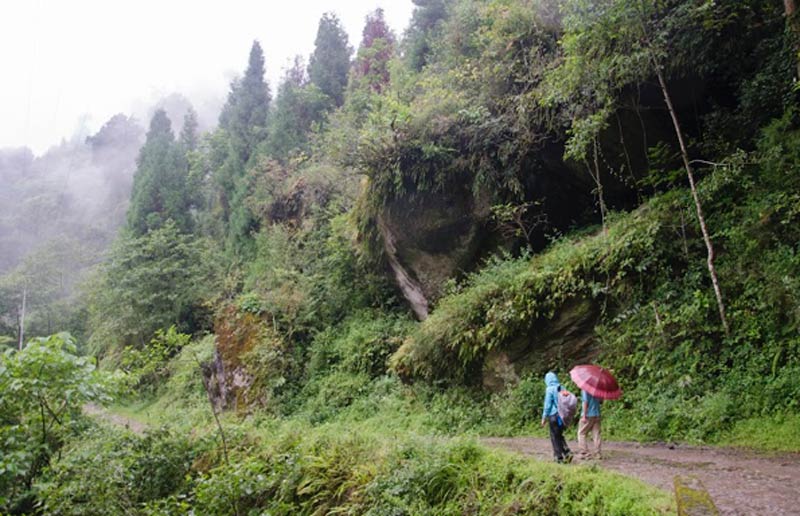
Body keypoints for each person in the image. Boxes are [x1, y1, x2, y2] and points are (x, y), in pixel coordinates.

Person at [540, 371, 572, 463]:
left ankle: (558, 457)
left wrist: (544, 418)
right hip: (562, 416)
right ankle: (567, 452)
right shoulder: (562, 387)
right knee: (560, 435)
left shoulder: (549, 389)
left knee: (554, 436)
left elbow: (547, 405)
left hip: (553, 416)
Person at [578, 389, 603, 459]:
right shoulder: (597, 388)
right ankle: (598, 453)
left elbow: (585, 402)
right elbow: (601, 401)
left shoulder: (585, 389)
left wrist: (584, 416)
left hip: (588, 415)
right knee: (596, 434)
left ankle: (584, 453)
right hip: (597, 414)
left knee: (581, 433)